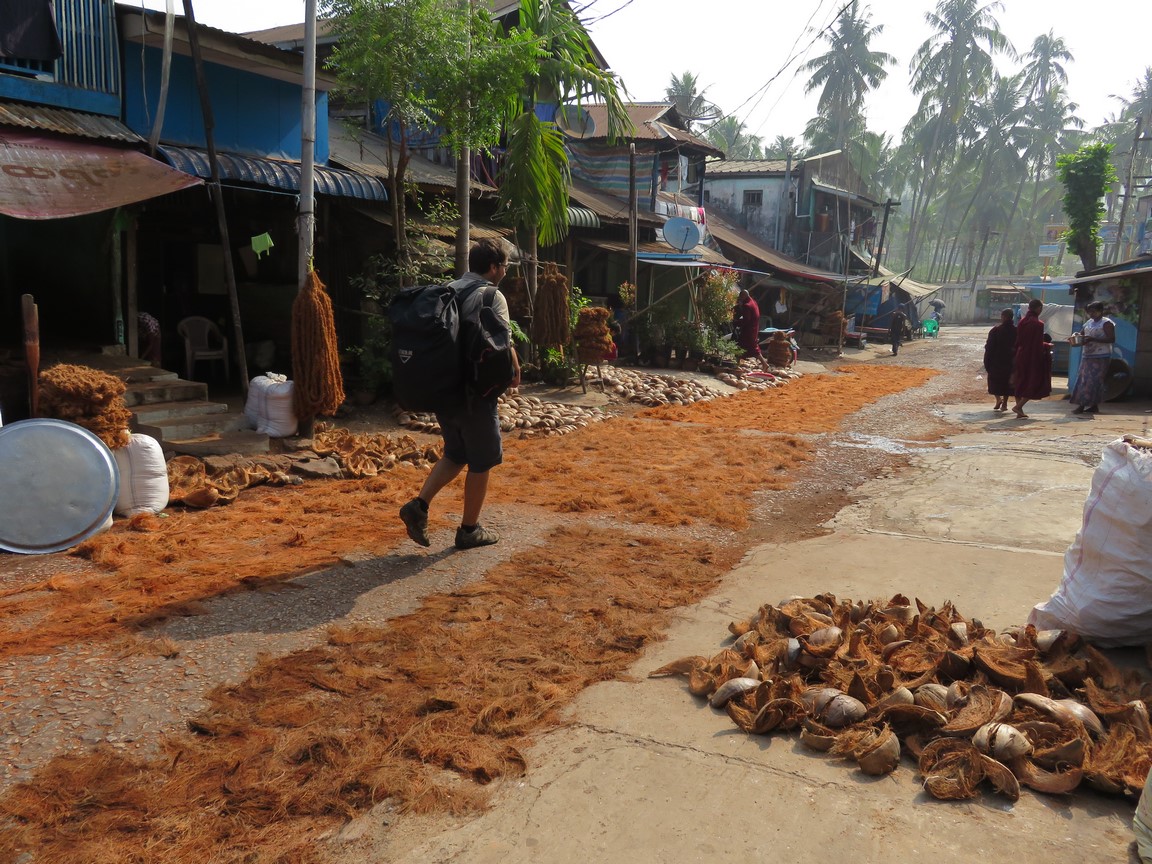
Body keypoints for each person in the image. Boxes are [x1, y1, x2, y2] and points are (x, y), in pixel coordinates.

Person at [398, 239, 521, 550]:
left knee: (456, 453)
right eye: (504, 266)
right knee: (483, 460)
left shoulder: (448, 288)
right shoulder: (492, 295)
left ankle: (419, 506)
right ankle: (469, 530)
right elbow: (501, 346)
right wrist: (514, 373)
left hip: (443, 388)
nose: (505, 271)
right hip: (474, 394)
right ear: (493, 267)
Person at [1069, 300, 1116, 415]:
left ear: (1100, 311)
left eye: (1094, 312)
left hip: (1101, 356)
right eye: (1090, 312)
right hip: (1087, 355)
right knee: (1084, 380)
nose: (1091, 314)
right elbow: (1082, 335)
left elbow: (1111, 339)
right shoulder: (1088, 322)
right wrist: (1076, 338)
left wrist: (1093, 339)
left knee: (1093, 381)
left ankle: (1082, 405)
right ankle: (1093, 406)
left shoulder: (1106, 323)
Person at [1011, 298, 1052, 419]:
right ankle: (1018, 407)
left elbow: (1019, 341)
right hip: (1032, 356)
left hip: (1020, 354)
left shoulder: (1022, 321)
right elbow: (1037, 344)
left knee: (1020, 382)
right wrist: (1046, 346)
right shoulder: (1038, 324)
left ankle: (1020, 410)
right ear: (1039, 308)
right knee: (1033, 382)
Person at [983, 308, 1016, 411]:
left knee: (995, 381)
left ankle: (998, 399)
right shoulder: (1016, 330)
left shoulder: (996, 330)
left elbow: (989, 347)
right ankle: (1005, 403)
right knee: (1007, 383)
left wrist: (987, 360)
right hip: (1010, 360)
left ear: (1003, 317)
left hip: (996, 361)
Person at [732, 288, 770, 370]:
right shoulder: (753, 302)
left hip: (748, 331)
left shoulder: (747, 305)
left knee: (751, 348)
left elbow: (746, 319)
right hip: (754, 329)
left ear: (744, 296)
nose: (740, 299)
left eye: (740, 297)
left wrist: (736, 322)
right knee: (743, 346)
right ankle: (736, 364)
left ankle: (764, 364)